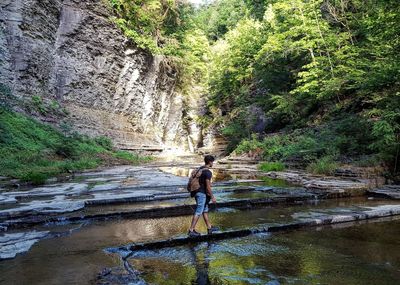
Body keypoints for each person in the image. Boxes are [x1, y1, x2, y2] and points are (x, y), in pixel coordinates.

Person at [188, 155, 219, 237]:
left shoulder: (200, 169)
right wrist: (212, 197)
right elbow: (208, 186)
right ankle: (191, 230)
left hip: (197, 192)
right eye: (213, 162)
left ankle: (209, 227)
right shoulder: (208, 172)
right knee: (199, 211)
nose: (213, 163)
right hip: (201, 194)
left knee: (205, 210)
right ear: (210, 162)